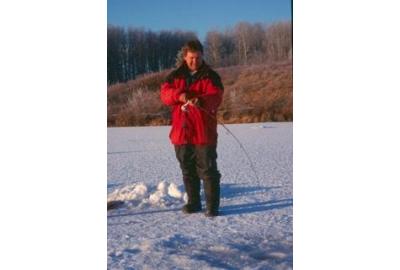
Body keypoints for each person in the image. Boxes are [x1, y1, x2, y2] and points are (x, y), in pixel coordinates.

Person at [160, 39, 224, 217]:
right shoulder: (174, 76)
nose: (194, 61)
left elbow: (216, 96)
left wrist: (201, 100)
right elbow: (165, 95)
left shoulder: (211, 76)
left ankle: (212, 207)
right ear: (184, 57)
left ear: (202, 56)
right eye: (190, 58)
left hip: (203, 134)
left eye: (197, 57)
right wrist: (178, 95)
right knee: (187, 170)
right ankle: (194, 203)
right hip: (181, 134)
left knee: (208, 171)